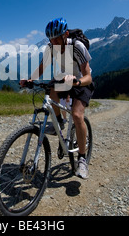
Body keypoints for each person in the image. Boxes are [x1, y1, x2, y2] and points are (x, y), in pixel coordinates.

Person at [20, 18, 94, 179]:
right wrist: (30, 79)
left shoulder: (77, 46)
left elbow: (88, 76)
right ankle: (59, 122)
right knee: (50, 89)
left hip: (81, 82)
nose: (53, 42)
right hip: (63, 79)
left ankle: (82, 159)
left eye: (56, 38)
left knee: (76, 115)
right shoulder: (50, 48)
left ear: (65, 34)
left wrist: (78, 82)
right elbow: (42, 67)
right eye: (50, 39)